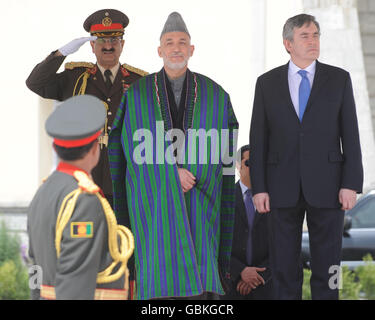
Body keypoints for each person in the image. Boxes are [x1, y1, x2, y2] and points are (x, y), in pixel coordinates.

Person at [108, 12, 238, 300]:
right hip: (156, 208)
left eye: (182, 42)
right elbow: (129, 151)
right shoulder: (138, 95)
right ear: (159, 50)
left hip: (199, 200)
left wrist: (192, 172)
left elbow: (224, 149)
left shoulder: (215, 94)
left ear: (191, 49)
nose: (176, 48)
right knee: (159, 283)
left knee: (200, 289)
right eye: (169, 42)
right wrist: (170, 175)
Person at [249, 14, 363, 300]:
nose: (313, 41)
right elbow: (259, 140)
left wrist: (351, 183)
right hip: (279, 188)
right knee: (284, 267)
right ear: (288, 43)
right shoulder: (266, 83)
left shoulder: (339, 79)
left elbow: (350, 135)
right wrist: (259, 188)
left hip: (329, 186)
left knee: (330, 268)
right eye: (305, 36)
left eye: (315, 35)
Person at [26, 9, 147, 209]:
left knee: (124, 238)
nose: (108, 46)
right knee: (88, 237)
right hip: (84, 180)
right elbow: (35, 83)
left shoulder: (139, 82)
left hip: (126, 179)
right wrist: (61, 53)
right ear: (92, 45)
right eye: (101, 41)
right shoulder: (76, 78)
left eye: (114, 40)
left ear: (122, 44)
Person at [27, 95, 134, 300]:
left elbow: (35, 272)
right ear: (95, 149)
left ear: (54, 148)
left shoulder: (42, 192)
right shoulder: (83, 200)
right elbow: (76, 282)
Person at [224, 145, 273, 300]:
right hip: (231, 287)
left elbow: (283, 243)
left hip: (266, 288)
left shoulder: (277, 199)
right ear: (238, 166)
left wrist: (257, 277)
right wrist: (241, 272)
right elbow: (215, 242)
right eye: (250, 162)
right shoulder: (224, 198)